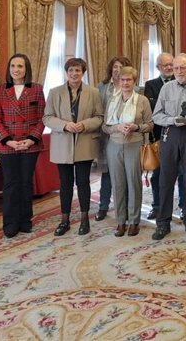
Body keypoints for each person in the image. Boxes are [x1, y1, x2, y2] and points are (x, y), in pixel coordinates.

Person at [43, 58, 103, 236]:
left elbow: (100, 116)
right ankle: (65, 220)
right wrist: (64, 125)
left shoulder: (93, 92)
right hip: (63, 143)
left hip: (84, 142)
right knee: (65, 183)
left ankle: (85, 219)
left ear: (83, 72)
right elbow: (47, 117)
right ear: (66, 72)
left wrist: (84, 124)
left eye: (77, 70)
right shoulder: (55, 92)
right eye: (71, 71)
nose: (74, 74)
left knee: (83, 182)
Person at [152, 53, 186, 240]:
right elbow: (156, 116)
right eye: (175, 68)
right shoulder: (166, 88)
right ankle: (163, 223)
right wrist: (173, 120)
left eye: (183, 67)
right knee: (165, 181)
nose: (179, 71)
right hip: (170, 135)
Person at [0, 53, 45, 238]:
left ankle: (25, 220)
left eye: (20, 66)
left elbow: (42, 118)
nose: (16, 70)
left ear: (26, 69)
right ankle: (10, 223)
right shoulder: (0, 90)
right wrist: (8, 141)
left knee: (25, 183)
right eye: (13, 66)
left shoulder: (37, 89)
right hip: (8, 145)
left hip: (30, 144)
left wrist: (31, 139)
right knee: (11, 184)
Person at [102, 66, 153, 237]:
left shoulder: (142, 100)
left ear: (134, 81)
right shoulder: (112, 100)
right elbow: (105, 126)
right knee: (118, 183)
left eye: (129, 80)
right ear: (118, 81)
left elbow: (151, 124)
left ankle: (134, 221)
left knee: (133, 183)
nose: (125, 83)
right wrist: (116, 127)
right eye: (122, 80)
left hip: (134, 144)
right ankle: (120, 221)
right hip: (114, 146)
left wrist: (136, 126)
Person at [95, 56, 132, 221]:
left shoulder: (136, 89)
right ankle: (103, 206)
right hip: (106, 135)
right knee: (107, 172)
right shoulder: (101, 88)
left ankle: (128, 207)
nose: (118, 70)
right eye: (115, 67)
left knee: (127, 173)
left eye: (122, 67)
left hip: (128, 136)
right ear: (111, 69)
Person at [143, 52, 177, 220]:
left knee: (182, 175)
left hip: (179, 135)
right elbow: (152, 108)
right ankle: (157, 206)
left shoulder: (181, 81)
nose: (169, 67)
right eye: (165, 65)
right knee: (158, 175)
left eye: (171, 64)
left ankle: (184, 207)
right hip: (158, 136)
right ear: (158, 68)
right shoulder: (150, 85)